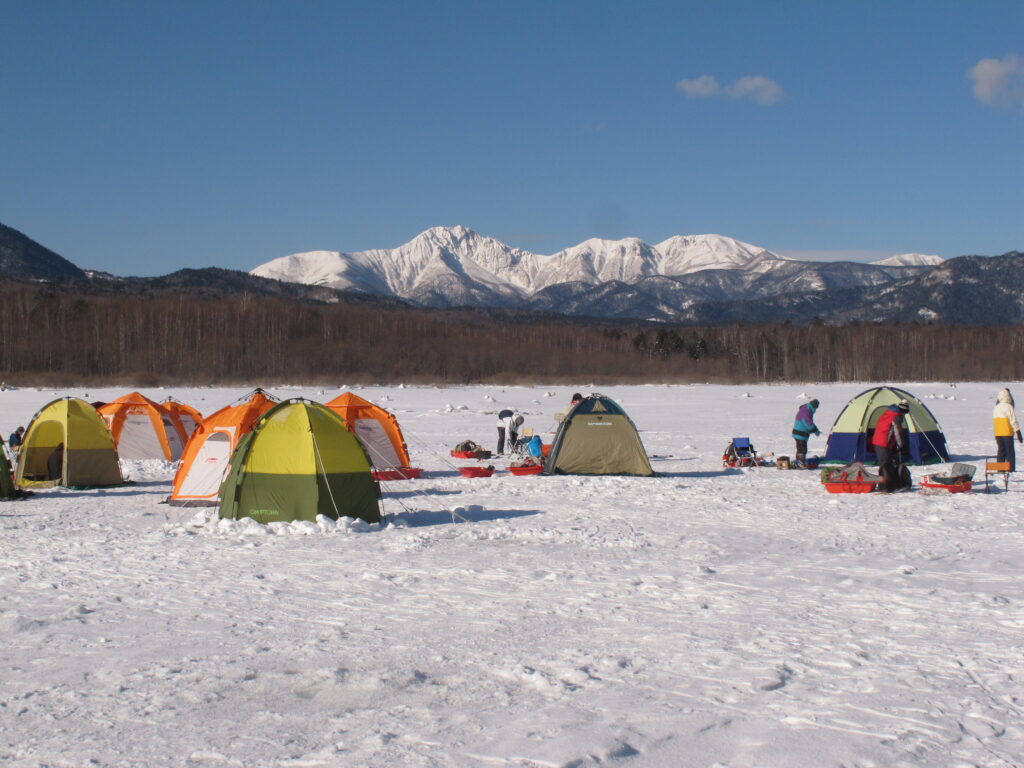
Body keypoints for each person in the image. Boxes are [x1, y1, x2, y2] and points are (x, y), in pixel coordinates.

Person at [872, 400, 909, 492]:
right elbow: (898, 432)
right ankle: (886, 486)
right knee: (885, 464)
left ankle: (888, 484)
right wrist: (901, 445)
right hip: (883, 442)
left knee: (885, 463)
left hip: (879, 440)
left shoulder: (890, 412)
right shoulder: (895, 417)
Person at [992, 387, 1022, 472]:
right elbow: (1013, 420)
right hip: (1007, 432)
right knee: (1010, 451)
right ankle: (1011, 468)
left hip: (998, 433)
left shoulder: (996, 407)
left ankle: (1000, 468)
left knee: (1001, 450)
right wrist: (1018, 431)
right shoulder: (1009, 407)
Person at [791, 399, 820, 467]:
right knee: (802, 449)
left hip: (801, 434)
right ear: (814, 406)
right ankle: (800, 463)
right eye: (816, 408)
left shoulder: (806, 409)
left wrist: (815, 431)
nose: (815, 410)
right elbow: (809, 424)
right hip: (800, 434)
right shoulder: (806, 411)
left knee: (801, 449)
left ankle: (798, 462)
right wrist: (816, 431)